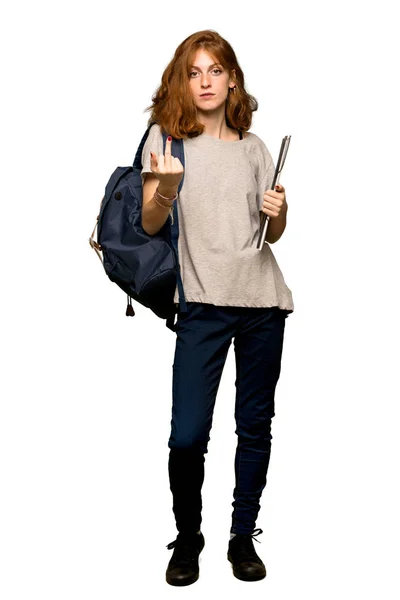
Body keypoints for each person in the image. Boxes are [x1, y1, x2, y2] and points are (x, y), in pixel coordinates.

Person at [140, 29, 294, 586]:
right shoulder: (166, 139)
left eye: (216, 71)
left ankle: (241, 535)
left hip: (261, 303)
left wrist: (278, 211)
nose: (205, 82)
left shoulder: (254, 149)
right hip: (201, 305)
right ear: (183, 81)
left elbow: (270, 236)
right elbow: (150, 223)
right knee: (188, 433)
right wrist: (166, 188)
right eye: (194, 72)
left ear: (232, 80)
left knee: (254, 425)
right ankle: (188, 539)